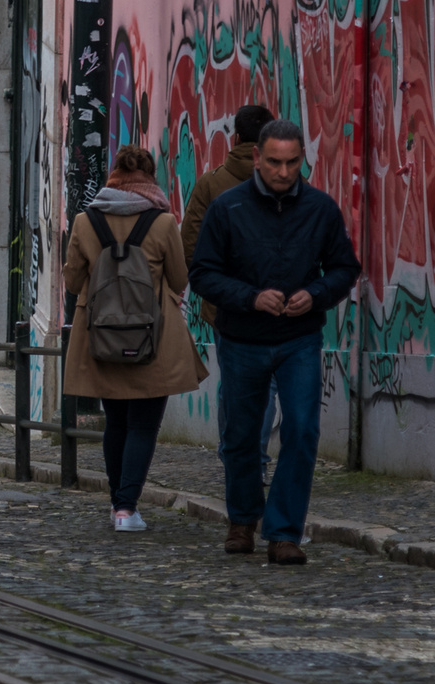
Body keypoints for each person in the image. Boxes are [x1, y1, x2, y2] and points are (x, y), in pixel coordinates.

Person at [189, 119, 360, 565]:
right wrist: (250, 298)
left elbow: (344, 268)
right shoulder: (228, 208)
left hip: (299, 338)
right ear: (258, 159)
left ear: (302, 158)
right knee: (242, 435)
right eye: (275, 163)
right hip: (242, 338)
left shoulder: (321, 209)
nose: (284, 172)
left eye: (292, 162)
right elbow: (203, 273)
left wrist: (316, 294)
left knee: (302, 430)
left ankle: (284, 532)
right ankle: (243, 518)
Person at [63, 145, 208, 533]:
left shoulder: (85, 221)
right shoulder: (162, 223)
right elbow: (179, 280)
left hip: (101, 340)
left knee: (116, 423)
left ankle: (118, 506)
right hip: (153, 340)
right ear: (149, 179)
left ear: (113, 176)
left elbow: (73, 282)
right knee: (144, 426)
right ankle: (128, 508)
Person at [181, 104, 281, 486]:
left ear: (236, 138)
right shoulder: (287, 181)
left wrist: (217, 287)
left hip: (226, 305)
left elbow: (189, 245)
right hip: (275, 303)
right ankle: (252, 460)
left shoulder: (211, 184)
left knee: (235, 381)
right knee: (267, 383)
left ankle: (234, 456)